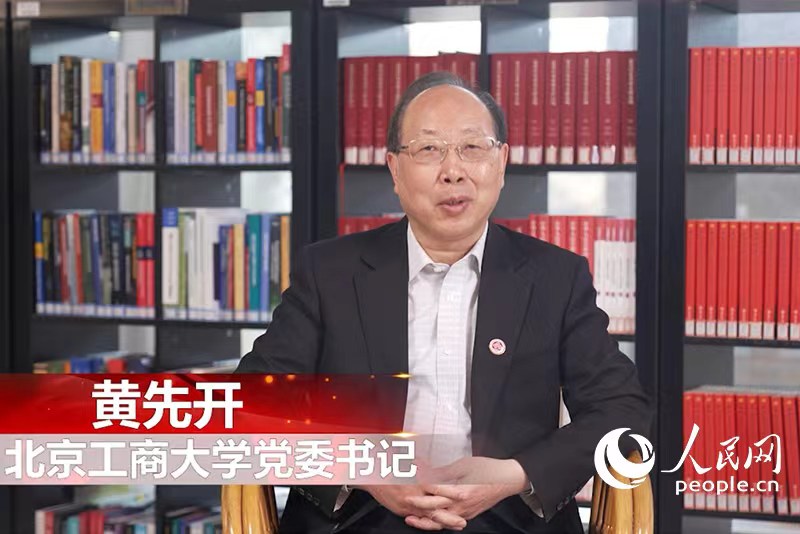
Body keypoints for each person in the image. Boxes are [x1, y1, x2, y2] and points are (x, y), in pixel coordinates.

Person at [236, 71, 653, 533]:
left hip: (509, 517)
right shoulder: (329, 273)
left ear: (501, 163)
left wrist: (515, 475)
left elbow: (623, 411)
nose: (453, 170)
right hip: (360, 517)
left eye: (473, 147)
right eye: (429, 149)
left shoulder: (555, 278)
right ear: (395, 169)